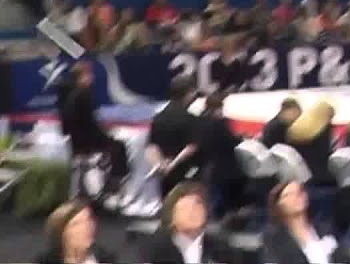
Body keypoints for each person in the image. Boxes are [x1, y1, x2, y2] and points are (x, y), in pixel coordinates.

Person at [56, 61, 129, 198]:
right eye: (90, 75)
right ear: (83, 76)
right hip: (87, 142)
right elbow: (91, 124)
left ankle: (103, 183)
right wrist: (108, 136)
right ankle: (113, 185)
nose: (92, 78)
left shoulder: (68, 95)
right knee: (119, 146)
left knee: (113, 144)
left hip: (75, 142)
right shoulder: (84, 94)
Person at [140, 182, 240, 264]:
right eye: (185, 209)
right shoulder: (155, 247)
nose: (192, 213)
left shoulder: (220, 247)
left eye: (197, 206)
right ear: (171, 216)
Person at [262, 180, 350, 264]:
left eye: (299, 191)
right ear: (278, 205)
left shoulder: (325, 229)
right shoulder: (273, 239)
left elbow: (344, 258)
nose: (296, 196)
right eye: (289, 194)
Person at [149, 75, 202, 196]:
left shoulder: (158, 118)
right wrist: (172, 165)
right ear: (189, 93)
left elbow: (152, 146)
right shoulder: (191, 119)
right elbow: (191, 147)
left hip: (165, 176)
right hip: (186, 173)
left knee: (168, 207)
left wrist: (159, 164)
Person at [198, 91, 246, 218]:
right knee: (228, 196)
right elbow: (231, 141)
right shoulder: (218, 123)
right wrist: (241, 138)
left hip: (208, 164)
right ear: (218, 107)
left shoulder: (200, 121)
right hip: (224, 166)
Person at [37, 200, 115, 264]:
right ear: (63, 232)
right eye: (77, 224)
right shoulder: (46, 261)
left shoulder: (105, 260)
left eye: (88, 220)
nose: (86, 227)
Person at [287, 100, 336, 185]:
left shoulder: (295, 129)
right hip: (318, 178)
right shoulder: (322, 132)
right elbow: (324, 156)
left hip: (298, 174)